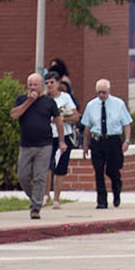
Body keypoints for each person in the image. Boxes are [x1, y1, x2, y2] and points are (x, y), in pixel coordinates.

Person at [9, 72, 62, 219]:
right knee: (23, 176)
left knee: (40, 177)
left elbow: (58, 121)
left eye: (36, 85)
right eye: (30, 84)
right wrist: (29, 102)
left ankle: (36, 208)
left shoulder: (49, 102)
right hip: (26, 144)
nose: (33, 87)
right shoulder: (21, 99)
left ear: (41, 86)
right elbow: (14, 115)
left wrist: (62, 141)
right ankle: (35, 197)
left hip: (44, 144)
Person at [81, 78, 133, 209]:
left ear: (109, 90)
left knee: (112, 170)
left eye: (104, 92)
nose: (101, 95)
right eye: (99, 92)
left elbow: (126, 124)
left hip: (113, 140)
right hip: (97, 141)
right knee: (98, 171)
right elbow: (87, 127)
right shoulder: (91, 105)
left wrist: (127, 141)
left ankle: (116, 190)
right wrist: (85, 145)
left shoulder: (118, 104)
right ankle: (101, 201)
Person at [46, 73, 79, 207]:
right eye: (47, 82)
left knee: (60, 167)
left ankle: (56, 198)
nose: (49, 85)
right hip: (48, 135)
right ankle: (45, 195)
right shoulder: (44, 98)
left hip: (64, 135)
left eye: (52, 82)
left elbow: (76, 117)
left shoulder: (66, 98)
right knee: (47, 166)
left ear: (58, 83)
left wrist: (61, 119)